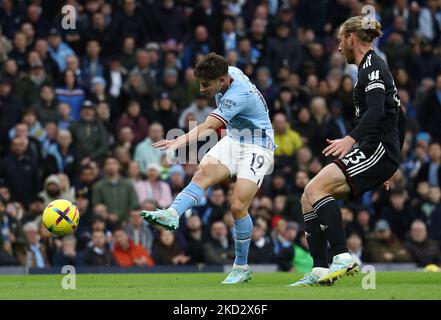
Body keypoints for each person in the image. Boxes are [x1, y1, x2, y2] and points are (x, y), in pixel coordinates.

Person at [289, 16, 405, 286]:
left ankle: (342, 256)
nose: (339, 48)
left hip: (375, 149)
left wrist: (351, 139)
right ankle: (319, 269)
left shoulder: (373, 67)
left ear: (351, 38)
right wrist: (392, 161)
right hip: (377, 151)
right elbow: (399, 116)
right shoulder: (368, 68)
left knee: (316, 189)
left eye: (341, 40)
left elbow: (378, 110)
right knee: (308, 196)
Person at [140, 53, 275, 284]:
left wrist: (177, 142)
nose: (202, 89)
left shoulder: (237, 94)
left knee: (237, 205)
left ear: (222, 81)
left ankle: (241, 267)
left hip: (259, 146)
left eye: (206, 85)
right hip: (235, 139)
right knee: (202, 173)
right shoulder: (228, 71)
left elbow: (208, 127)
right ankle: (172, 214)